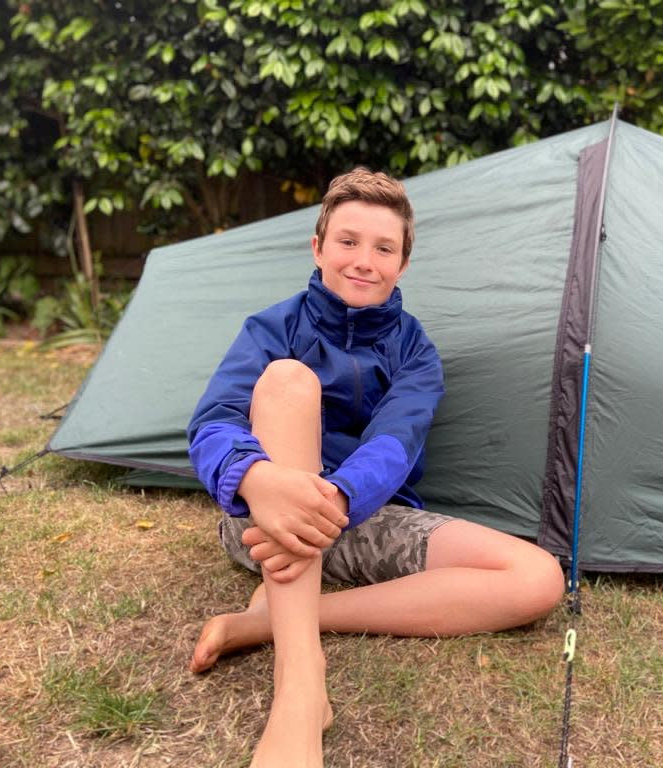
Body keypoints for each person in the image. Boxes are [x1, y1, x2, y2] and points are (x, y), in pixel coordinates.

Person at [186, 168, 565, 768]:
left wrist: (334, 499)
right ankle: (300, 687)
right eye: (348, 241)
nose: (364, 260)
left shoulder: (416, 352)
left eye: (384, 248)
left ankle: (262, 623)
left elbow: (395, 443)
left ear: (403, 263)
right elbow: (212, 422)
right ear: (318, 248)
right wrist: (257, 479)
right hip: (264, 520)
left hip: (359, 517)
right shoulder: (271, 327)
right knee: (288, 381)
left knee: (539, 577)